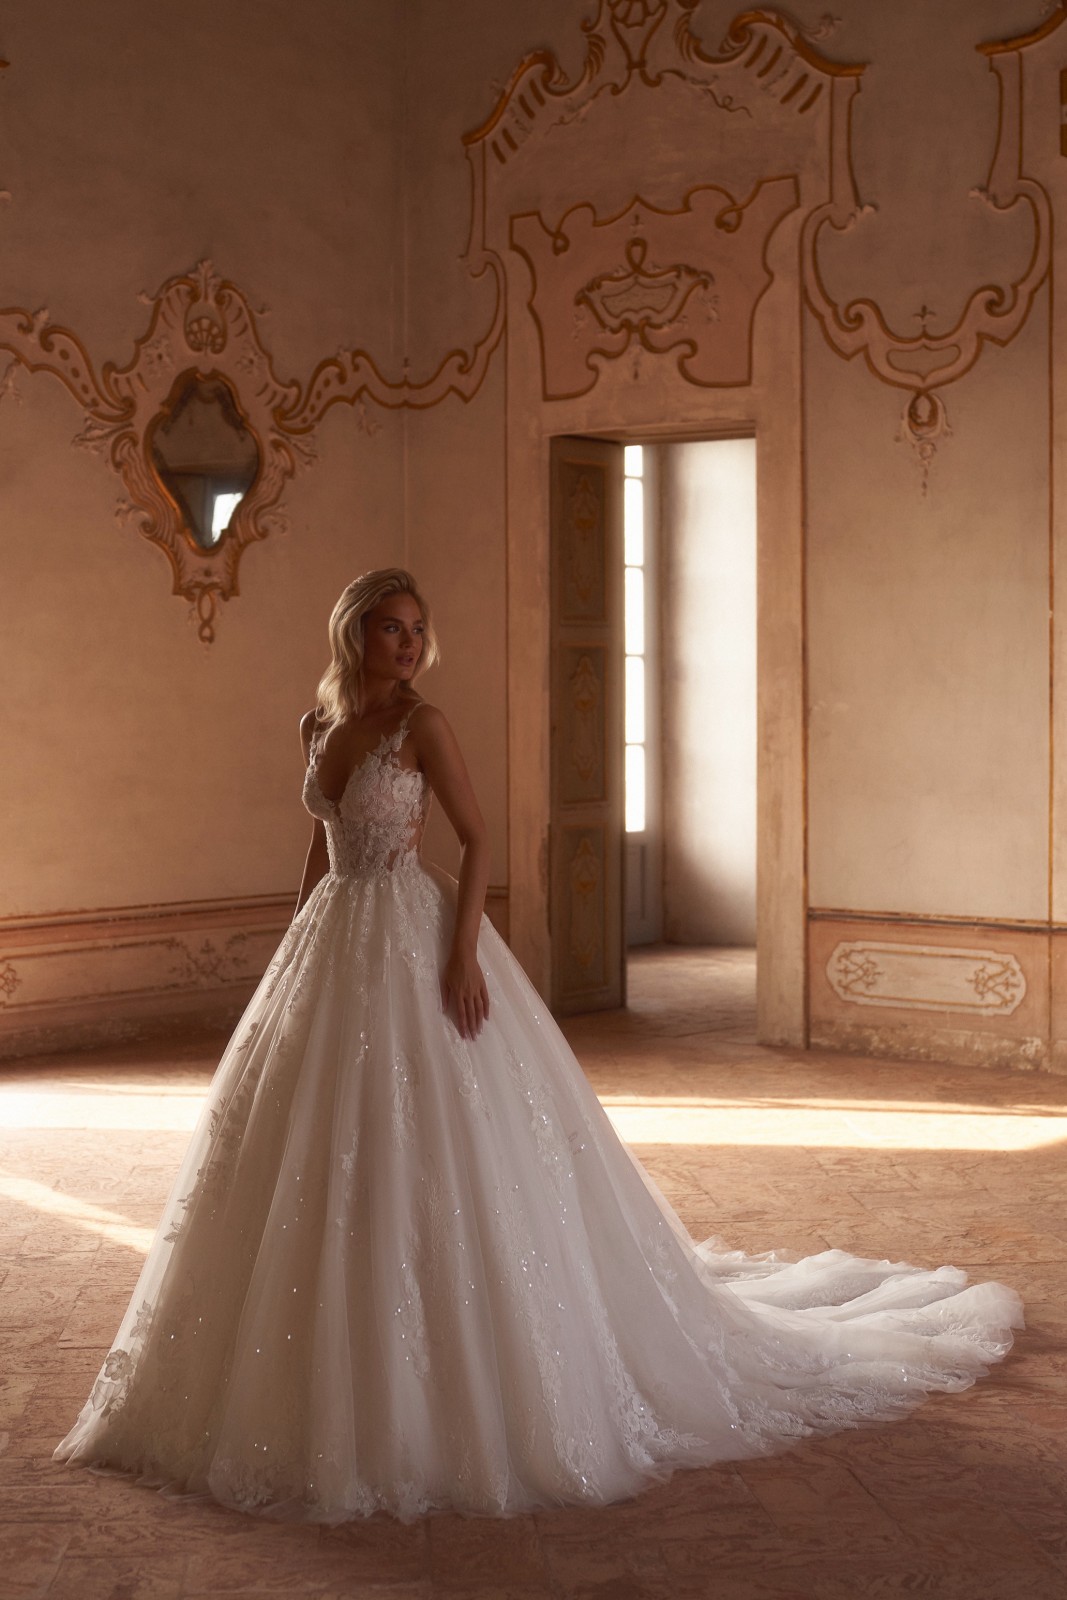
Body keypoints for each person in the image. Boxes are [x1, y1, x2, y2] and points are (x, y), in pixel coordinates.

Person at [54, 568, 1024, 1523]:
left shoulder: (418, 727)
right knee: (313, 1141)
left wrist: (463, 952)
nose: (405, 642)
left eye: (414, 628)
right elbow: (318, 846)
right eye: (388, 627)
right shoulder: (318, 726)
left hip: (411, 924)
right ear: (352, 633)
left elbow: (477, 840)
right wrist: (291, 947)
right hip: (332, 938)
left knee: (439, 1132)